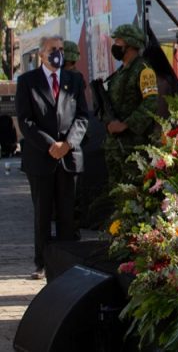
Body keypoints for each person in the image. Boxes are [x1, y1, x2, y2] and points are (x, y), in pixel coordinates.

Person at [16, 35, 89, 279]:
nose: (57, 53)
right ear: (41, 54)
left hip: (69, 157)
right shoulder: (27, 81)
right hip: (41, 157)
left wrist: (67, 144)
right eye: (52, 49)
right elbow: (25, 121)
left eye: (60, 49)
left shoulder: (74, 80)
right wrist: (51, 145)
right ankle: (43, 263)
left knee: (68, 214)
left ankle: (67, 264)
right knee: (43, 214)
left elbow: (82, 117)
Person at [101, 24, 160, 191]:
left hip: (134, 146)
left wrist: (126, 124)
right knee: (117, 193)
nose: (116, 46)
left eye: (119, 41)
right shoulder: (121, 72)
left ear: (130, 45)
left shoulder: (144, 70)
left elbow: (151, 102)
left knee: (134, 193)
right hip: (116, 146)